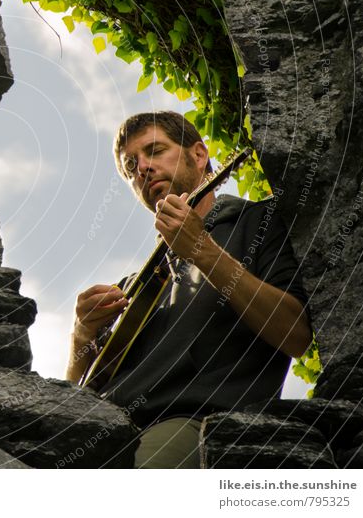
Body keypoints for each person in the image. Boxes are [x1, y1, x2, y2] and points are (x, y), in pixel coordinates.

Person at [65, 111, 313, 468]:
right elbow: (74, 395)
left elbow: (297, 334)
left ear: (199, 155)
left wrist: (202, 250)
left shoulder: (260, 223)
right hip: (96, 435)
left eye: (155, 150)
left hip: (190, 425)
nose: (143, 169)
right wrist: (81, 337)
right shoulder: (131, 288)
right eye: (130, 166)